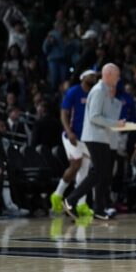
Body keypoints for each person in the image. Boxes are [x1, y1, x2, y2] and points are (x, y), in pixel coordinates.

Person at [63, 63, 125, 220]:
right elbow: (94, 117)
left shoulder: (104, 91)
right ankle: (71, 200)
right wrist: (114, 124)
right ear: (109, 74)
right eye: (117, 75)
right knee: (99, 172)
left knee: (101, 172)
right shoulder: (98, 91)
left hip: (100, 137)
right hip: (94, 137)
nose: (118, 79)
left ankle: (98, 208)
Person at [50, 70, 97, 217]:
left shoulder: (95, 93)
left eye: (95, 76)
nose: (94, 78)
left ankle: (81, 204)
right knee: (76, 163)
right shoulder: (74, 91)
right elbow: (64, 113)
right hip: (72, 136)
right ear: (83, 78)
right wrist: (69, 131)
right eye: (91, 75)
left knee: (85, 170)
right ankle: (57, 195)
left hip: (87, 137)